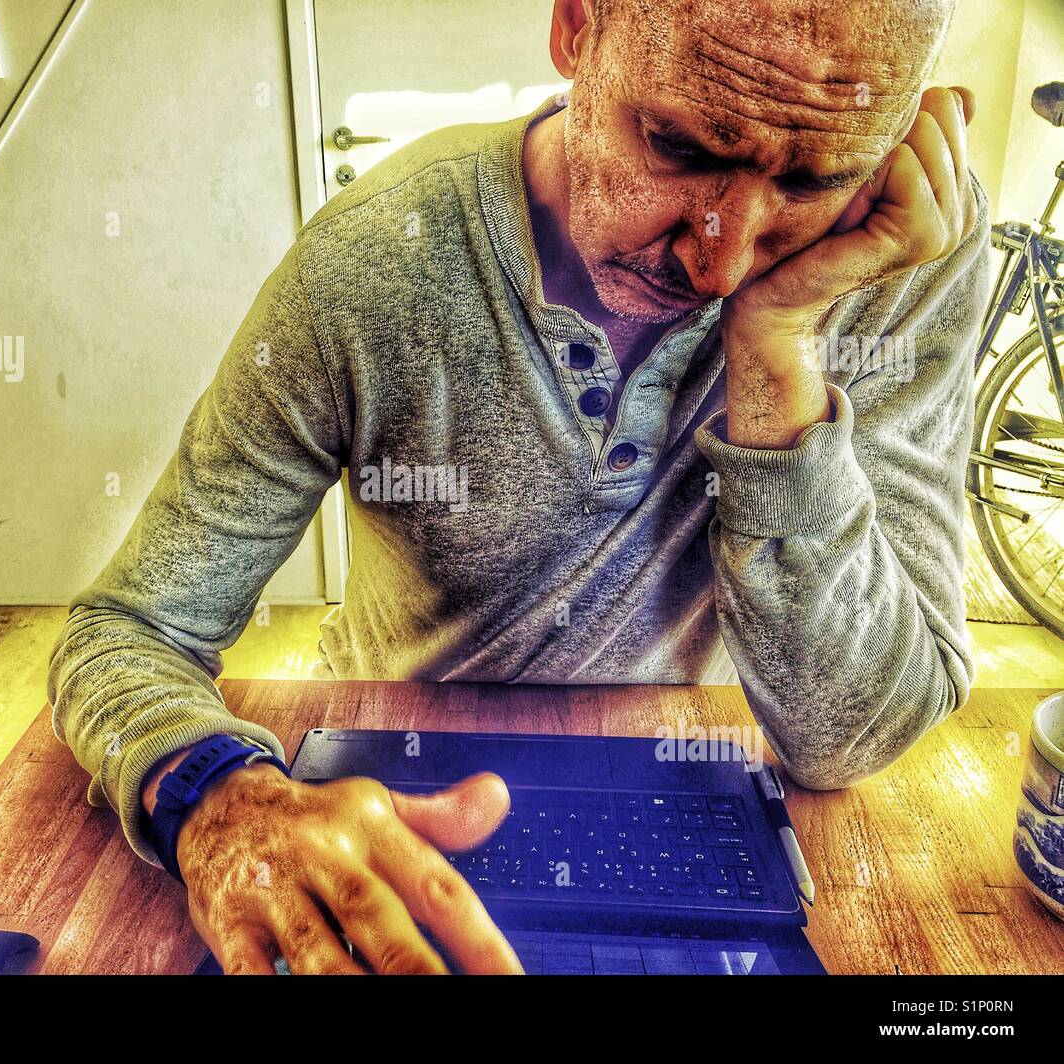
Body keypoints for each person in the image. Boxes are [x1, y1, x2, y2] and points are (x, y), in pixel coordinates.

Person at [49, 0, 987, 974]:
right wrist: (218, 793)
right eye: (674, 145)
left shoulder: (903, 246)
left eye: (813, 178)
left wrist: (781, 347)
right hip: (391, 774)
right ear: (576, 28)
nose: (721, 258)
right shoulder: (372, 262)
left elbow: (849, 737)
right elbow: (129, 628)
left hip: (697, 787)